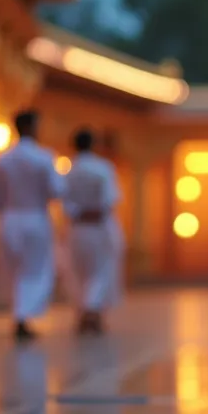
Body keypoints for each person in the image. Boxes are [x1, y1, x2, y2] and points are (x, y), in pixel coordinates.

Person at [0, 110, 65, 340]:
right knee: (34, 269)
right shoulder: (43, 157)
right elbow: (56, 190)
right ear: (32, 127)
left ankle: (19, 313)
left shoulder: (3, 159)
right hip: (35, 218)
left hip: (10, 219)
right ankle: (22, 315)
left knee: (13, 268)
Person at [62, 128, 123, 334]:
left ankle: (85, 310)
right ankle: (91, 309)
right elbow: (109, 199)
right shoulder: (103, 168)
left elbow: (65, 202)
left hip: (77, 228)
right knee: (101, 270)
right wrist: (95, 212)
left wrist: (80, 212)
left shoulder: (69, 171)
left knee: (80, 271)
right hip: (99, 227)